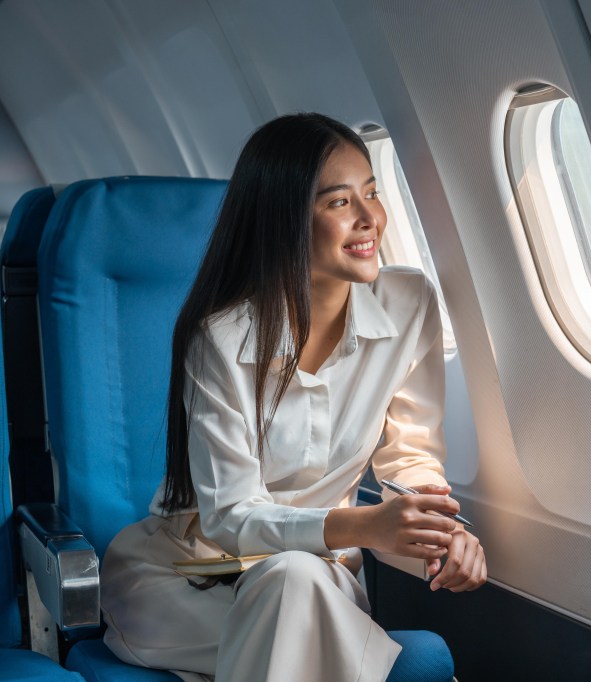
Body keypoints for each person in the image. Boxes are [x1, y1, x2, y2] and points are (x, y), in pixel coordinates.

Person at [99, 113, 486, 681]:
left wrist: (438, 530)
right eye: (338, 203)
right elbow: (231, 516)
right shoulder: (222, 339)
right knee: (299, 605)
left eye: (371, 193)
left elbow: (410, 453)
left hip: (315, 575)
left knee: (295, 585)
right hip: (186, 578)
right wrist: (365, 526)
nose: (369, 218)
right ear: (284, 221)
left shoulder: (411, 305)